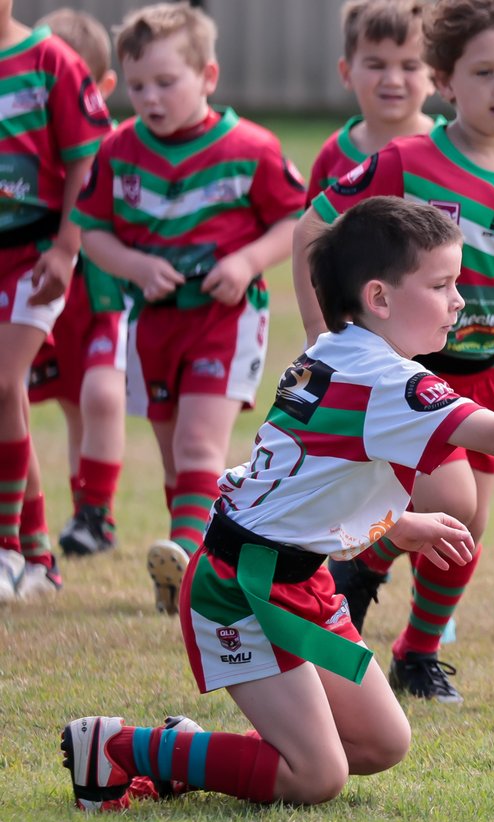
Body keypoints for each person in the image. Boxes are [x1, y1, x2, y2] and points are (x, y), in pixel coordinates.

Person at [61, 196, 494, 811]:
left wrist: (397, 521)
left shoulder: (337, 353)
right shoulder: (386, 379)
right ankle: (119, 748)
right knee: (317, 777)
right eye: (442, 285)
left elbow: (310, 480)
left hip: (296, 579)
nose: (460, 301)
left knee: (380, 742)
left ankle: (192, 752)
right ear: (379, 297)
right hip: (243, 585)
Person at [293, 0, 494, 704]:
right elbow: (314, 231)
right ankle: (368, 571)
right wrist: (326, 335)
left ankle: (414, 645)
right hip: (409, 371)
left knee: (467, 524)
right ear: (445, 81)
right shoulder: (406, 162)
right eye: (483, 71)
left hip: (489, 372)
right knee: (450, 501)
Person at [72, 3, 307, 614]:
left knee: (202, 446)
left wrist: (246, 262)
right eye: (137, 84)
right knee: (174, 449)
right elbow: (91, 230)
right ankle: (191, 562)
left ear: (208, 75)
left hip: (223, 319)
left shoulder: (251, 147)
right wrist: (135, 266)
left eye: (166, 82)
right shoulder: (119, 149)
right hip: (152, 323)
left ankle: (188, 557)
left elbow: (295, 220)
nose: (150, 97)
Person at [0, 0, 111, 602]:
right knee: (7, 394)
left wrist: (67, 248)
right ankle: (39, 556)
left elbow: (84, 159)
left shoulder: (49, 60)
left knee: (0, 384)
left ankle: (7, 550)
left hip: (34, 252)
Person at [27, 8, 128, 559]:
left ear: (100, 87)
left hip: (104, 291)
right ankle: (86, 515)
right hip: (49, 291)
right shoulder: (25, 144)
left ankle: (97, 514)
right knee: (73, 405)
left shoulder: (108, 144)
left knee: (101, 394)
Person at [306, 0, 435, 208]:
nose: (393, 80)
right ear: (346, 73)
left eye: (410, 66)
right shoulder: (332, 156)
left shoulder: (453, 151)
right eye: (376, 65)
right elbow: (312, 234)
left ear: (434, 77)